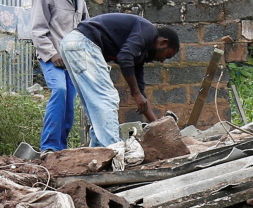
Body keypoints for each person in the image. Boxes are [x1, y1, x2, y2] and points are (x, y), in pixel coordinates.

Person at [59, 11, 180, 147]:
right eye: (167, 55)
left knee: (94, 104)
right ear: (163, 43)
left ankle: (99, 151)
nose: (163, 61)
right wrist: (135, 93)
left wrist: (157, 126)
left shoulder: (140, 52)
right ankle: (113, 149)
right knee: (107, 98)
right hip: (83, 43)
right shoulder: (149, 31)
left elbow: (141, 94)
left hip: (72, 44)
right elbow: (124, 57)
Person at [29, 0, 91, 151]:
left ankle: (60, 149)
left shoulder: (79, 0)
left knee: (70, 101)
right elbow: (37, 29)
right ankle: (49, 147)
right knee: (60, 91)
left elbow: (86, 28)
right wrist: (51, 53)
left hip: (72, 60)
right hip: (51, 58)